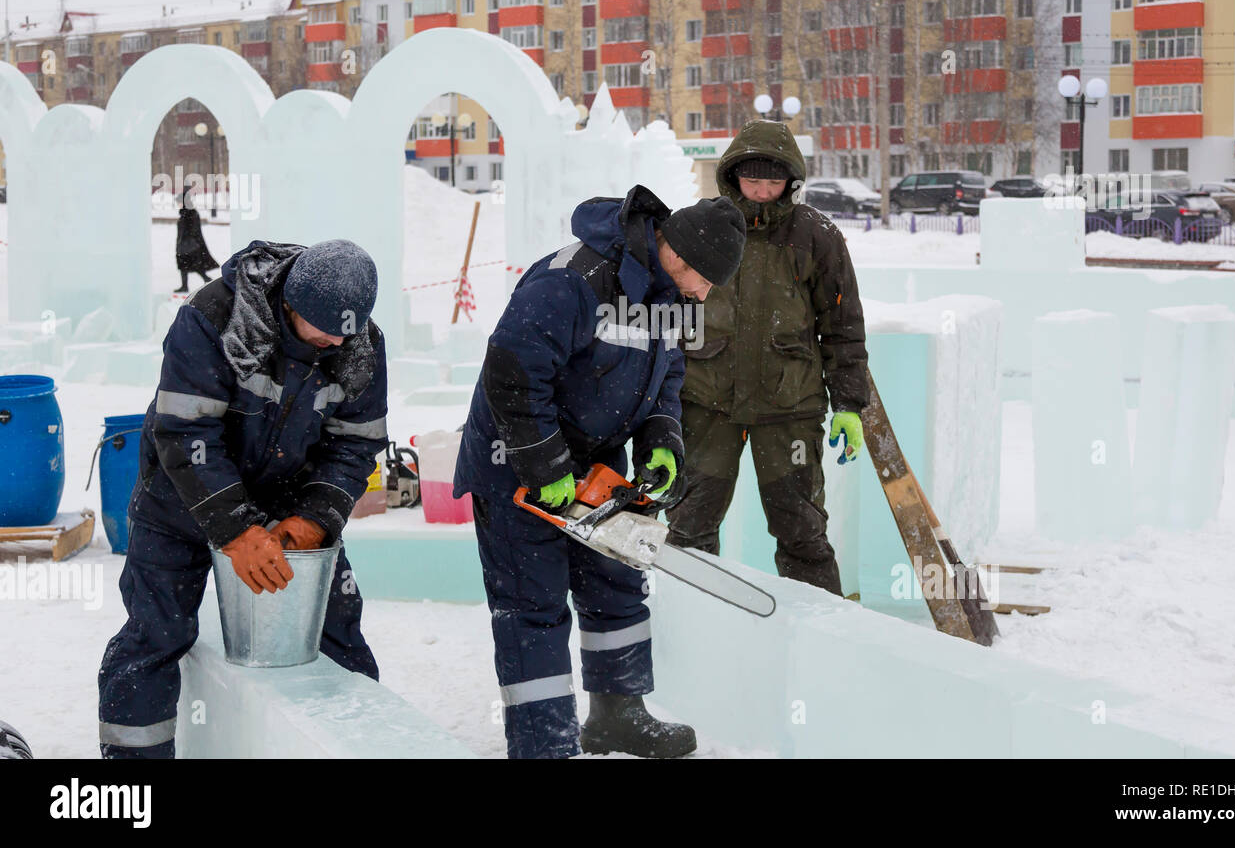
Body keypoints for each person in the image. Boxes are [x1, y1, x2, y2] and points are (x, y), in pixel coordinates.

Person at [453, 184, 746, 759]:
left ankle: (619, 714)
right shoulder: (571, 280)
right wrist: (545, 464)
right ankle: (544, 743)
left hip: (596, 462)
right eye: (707, 280)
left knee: (616, 586)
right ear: (679, 256)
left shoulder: (669, 295)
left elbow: (666, 375)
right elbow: (513, 370)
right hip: (515, 460)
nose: (707, 294)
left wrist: (662, 440)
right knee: (533, 604)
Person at [98, 239, 389, 758]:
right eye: (321, 333)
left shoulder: (358, 343)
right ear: (289, 305)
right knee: (156, 636)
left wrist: (316, 518)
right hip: (181, 501)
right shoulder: (214, 318)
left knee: (337, 629)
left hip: (289, 502)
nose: (334, 345)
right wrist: (234, 527)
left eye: (345, 336)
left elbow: (356, 443)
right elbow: (187, 432)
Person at [665, 120, 870, 596]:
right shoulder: (701, 225)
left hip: (789, 410)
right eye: (750, 179)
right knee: (688, 527)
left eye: (772, 181)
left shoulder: (817, 236)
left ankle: (820, 634)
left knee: (801, 529)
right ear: (731, 175)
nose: (760, 191)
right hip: (705, 403)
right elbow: (665, 312)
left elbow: (843, 328)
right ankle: (690, 628)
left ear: (791, 181)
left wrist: (849, 405)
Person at [174, 185, 219, 293]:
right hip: (184, 245)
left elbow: (194, 230)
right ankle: (188, 285)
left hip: (190, 246)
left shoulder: (191, 213)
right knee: (186, 266)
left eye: (179, 201)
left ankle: (205, 280)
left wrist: (188, 241)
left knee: (191, 265)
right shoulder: (185, 213)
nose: (177, 204)